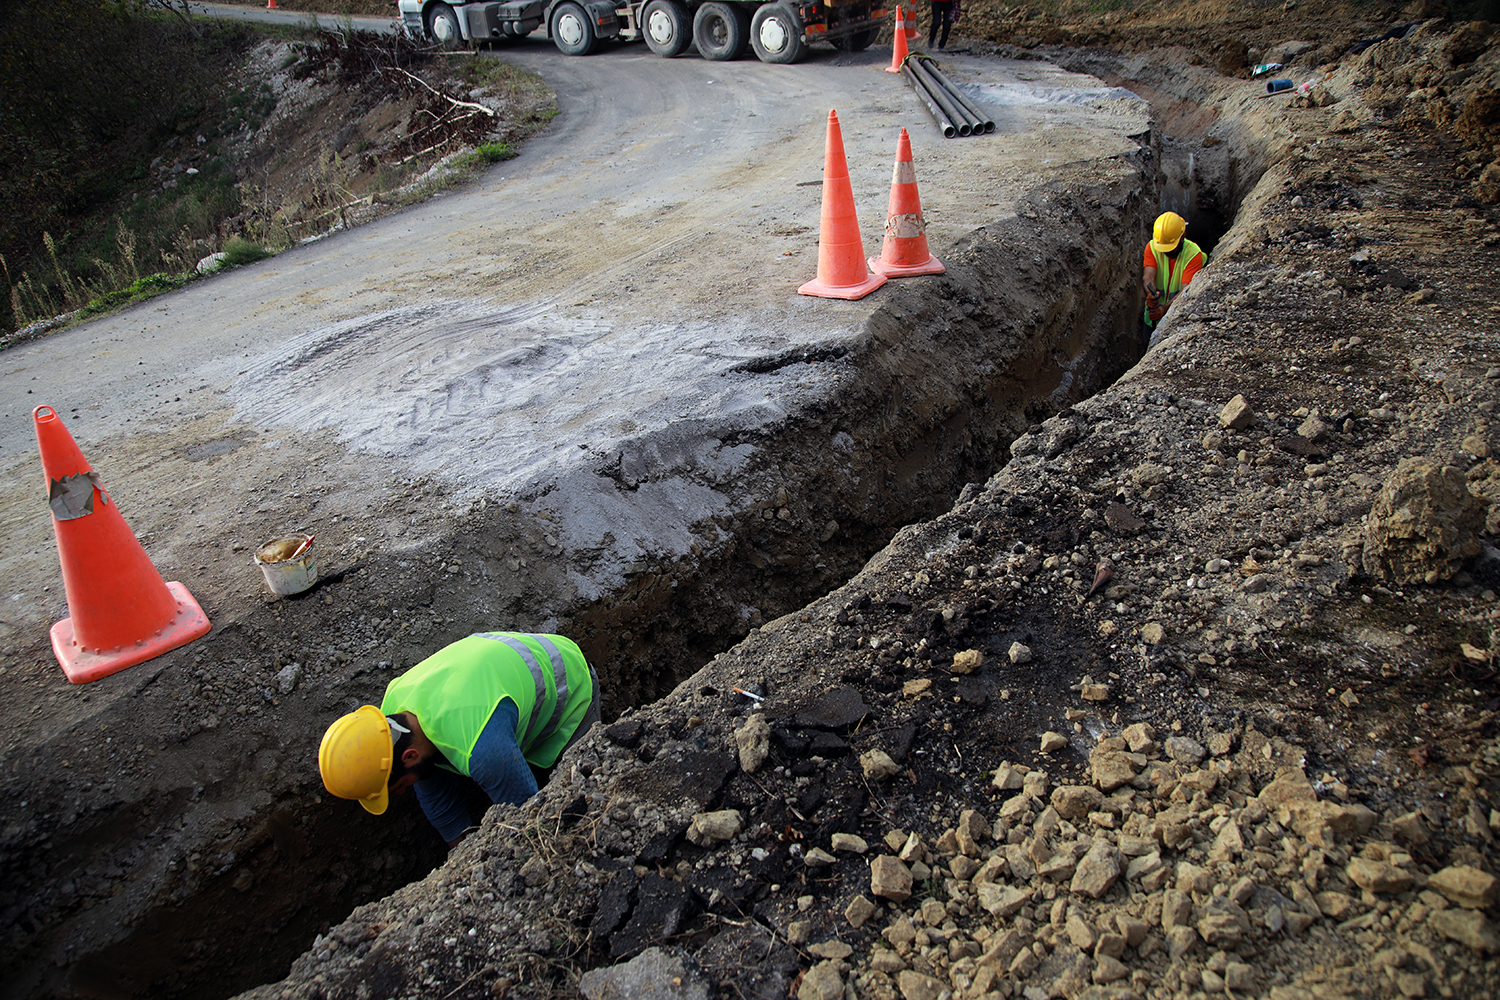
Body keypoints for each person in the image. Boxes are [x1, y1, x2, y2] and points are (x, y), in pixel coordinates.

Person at [318, 631, 601, 847]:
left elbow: (532, 824)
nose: (401, 792)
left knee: (578, 790)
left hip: (567, 684)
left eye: (398, 786)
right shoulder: (392, 717)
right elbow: (434, 791)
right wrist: (460, 849)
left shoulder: (485, 751)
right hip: (498, 677)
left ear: (409, 757)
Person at [1142, 210, 1206, 345]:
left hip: (1176, 320)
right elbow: (1148, 276)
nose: (1166, 252)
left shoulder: (1193, 255)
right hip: (1152, 318)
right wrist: (1151, 295)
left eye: (1170, 248)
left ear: (1183, 237)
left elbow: (1186, 292)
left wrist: (1164, 309)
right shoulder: (1152, 247)